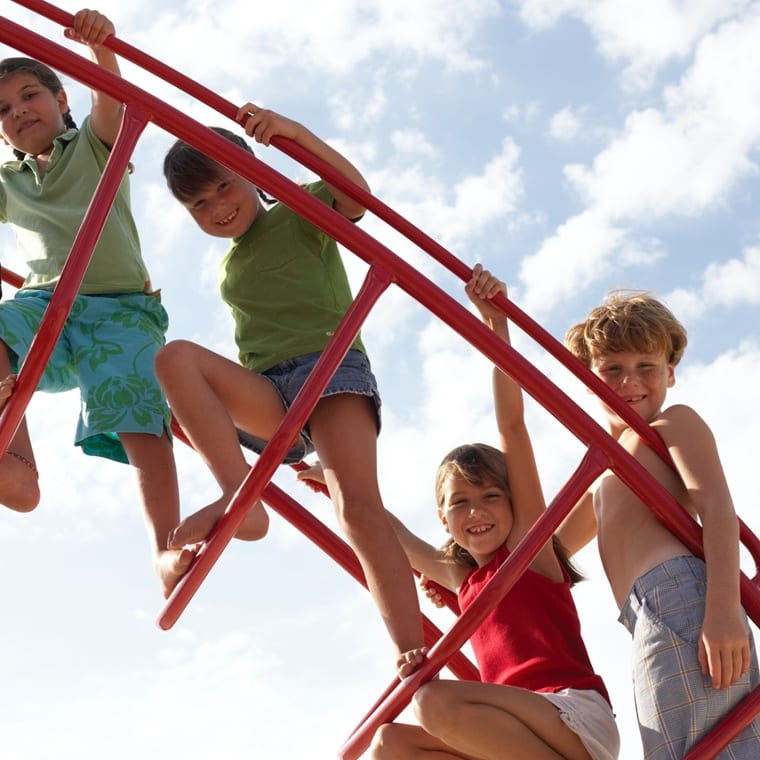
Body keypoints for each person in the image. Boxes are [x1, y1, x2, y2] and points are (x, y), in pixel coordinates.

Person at [303, 266, 620, 759]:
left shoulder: (529, 553)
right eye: (460, 503)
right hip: (514, 736)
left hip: (569, 717)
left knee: (431, 702)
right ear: (444, 519)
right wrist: (336, 485)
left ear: (514, 502)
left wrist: (497, 327)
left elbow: (512, 428)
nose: (476, 511)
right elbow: (397, 536)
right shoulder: (462, 579)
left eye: (491, 495)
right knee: (391, 744)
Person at [157, 108, 425, 672]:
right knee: (173, 358)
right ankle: (239, 494)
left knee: (356, 508)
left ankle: (410, 648)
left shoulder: (297, 210)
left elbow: (356, 198)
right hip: (272, 390)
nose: (216, 208)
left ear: (251, 172)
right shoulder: (229, 267)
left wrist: (295, 137)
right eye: (198, 205)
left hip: (330, 369)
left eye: (223, 186)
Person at [0, 10, 192, 596]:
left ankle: (165, 549)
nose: (19, 112)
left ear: (61, 100)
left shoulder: (91, 143)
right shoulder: (8, 182)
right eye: (3, 111)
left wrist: (98, 47)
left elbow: (111, 99)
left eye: (30, 95)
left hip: (120, 310)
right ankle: (16, 466)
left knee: (138, 416)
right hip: (44, 307)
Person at [558, 291, 760, 758]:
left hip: (686, 601)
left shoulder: (672, 423)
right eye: (612, 368)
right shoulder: (603, 473)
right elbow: (549, 554)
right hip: (645, 618)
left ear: (670, 373)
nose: (630, 381)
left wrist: (726, 609)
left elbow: (717, 509)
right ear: (588, 379)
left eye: (646, 366)